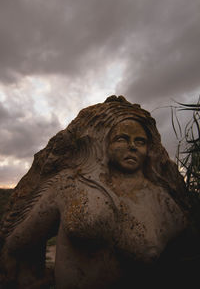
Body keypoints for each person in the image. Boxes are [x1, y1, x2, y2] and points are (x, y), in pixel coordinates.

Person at [0, 96, 193, 288]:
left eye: (140, 141)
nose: (132, 146)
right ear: (104, 143)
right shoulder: (70, 183)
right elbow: (19, 242)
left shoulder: (162, 200)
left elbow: (181, 259)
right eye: (122, 139)